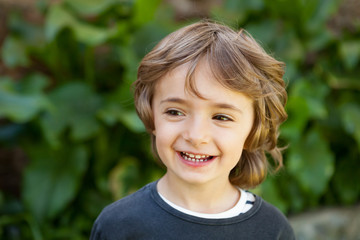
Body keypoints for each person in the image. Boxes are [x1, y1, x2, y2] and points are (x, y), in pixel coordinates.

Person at [90, 20, 295, 239]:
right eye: (175, 112)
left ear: (253, 130)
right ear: (151, 116)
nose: (196, 136)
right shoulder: (118, 225)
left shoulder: (272, 230)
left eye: (221, 117)